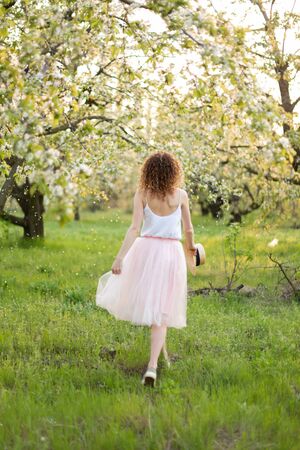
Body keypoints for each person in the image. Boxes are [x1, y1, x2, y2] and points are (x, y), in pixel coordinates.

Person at [96, 151, 197, 387]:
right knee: (161, 310)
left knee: (156, 308)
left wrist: (119, 258)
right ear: (174, 172)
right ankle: (154, 365)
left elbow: (134, 229)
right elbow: (189, 229)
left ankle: (154, 365)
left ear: (148, 171)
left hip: (148, 251)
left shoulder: (142, 194)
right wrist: (192, 249)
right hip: (172, 254)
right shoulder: (181, 195)